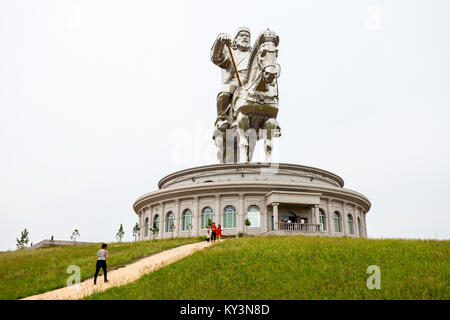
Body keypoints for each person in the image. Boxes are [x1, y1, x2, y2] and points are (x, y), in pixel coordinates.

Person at [210, 27, 252, 130]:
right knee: (226, 90)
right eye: (242, 35)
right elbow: (216, 58)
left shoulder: (253, 54)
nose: (245, 38)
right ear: (236, 39)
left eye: (247, 36)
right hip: (236, 81)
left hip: (252, 82)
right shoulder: (230, 52)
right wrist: (220, 41)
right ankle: (221, 118)